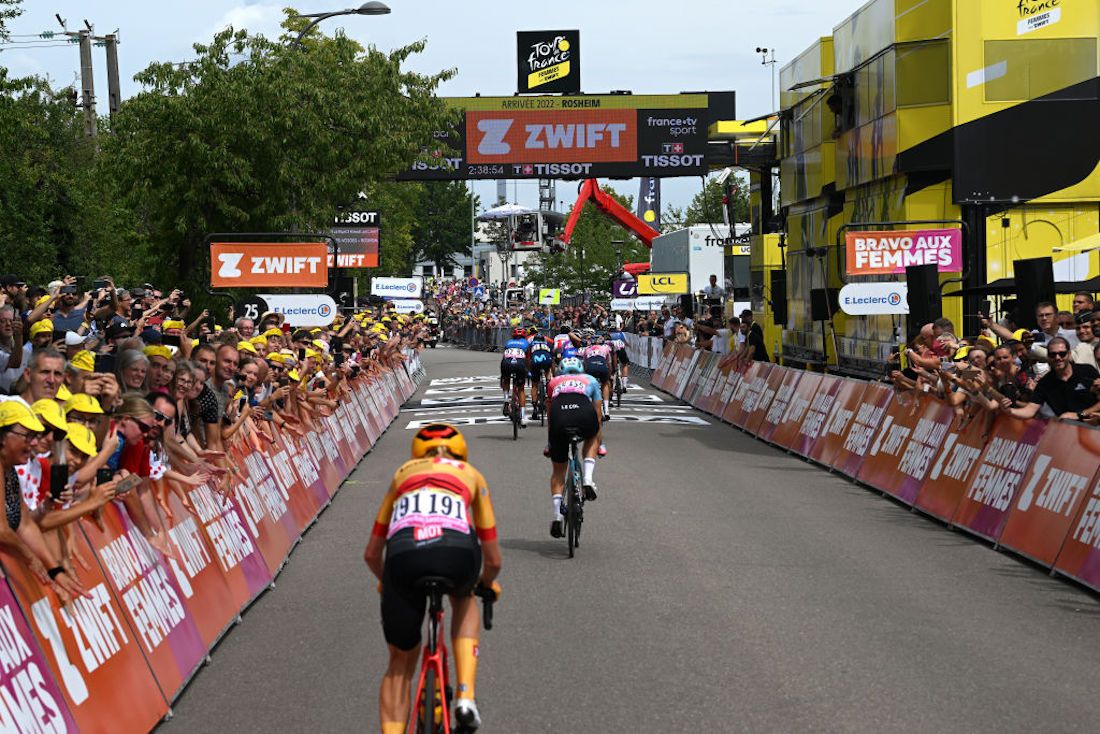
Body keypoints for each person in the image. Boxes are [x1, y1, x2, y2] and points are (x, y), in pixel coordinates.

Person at [363, 424, 501, 734]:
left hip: (404, 555)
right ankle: (466, 697)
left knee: (399, 663)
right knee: (464, 598)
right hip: (456, 551)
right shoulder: (471, 474)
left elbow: (372, 553)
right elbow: (493, 558)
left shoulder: (403, 474)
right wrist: (487, 583)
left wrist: (387, 582)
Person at [544, 357, 603, 538]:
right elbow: (598, 414)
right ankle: (587, 478)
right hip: (583, 413)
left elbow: (550, 416)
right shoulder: (591, 380)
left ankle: (557, 515)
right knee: (592, 436)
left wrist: (550, 442)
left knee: (558, 472)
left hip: (560, 417)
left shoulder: (553, 382)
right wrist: (600, 441)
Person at [1004, 337, 1099, 421]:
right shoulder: (1045, 383)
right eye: (1053, 355)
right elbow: (1030, 410)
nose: (1057, 358)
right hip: (1067, 432)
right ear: (1048, 356)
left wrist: (1080, 415)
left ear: (1069, 354)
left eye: (1062, 354)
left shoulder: (1087, 371)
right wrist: (1010, 411)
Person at [499, 327, 530, 427]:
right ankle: (523, 416)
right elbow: (528, 360)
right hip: (520, 363)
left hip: (506, 363)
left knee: (506, 380)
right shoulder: (526, 343)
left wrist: (502, 377)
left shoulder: (508, 342)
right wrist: (528, 372)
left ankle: (506, 402)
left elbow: (504, 357)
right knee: (521, 390)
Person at [526, 331, 554, 411]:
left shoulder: (531, 344)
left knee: (534, 385)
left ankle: (534, 405)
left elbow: (528, 358)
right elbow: (552, 359)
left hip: (535, 362)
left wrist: (528, 370)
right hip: (546, 362)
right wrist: (553, 372)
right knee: (548, 372)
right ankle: (549, 390)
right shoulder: (548, 344)